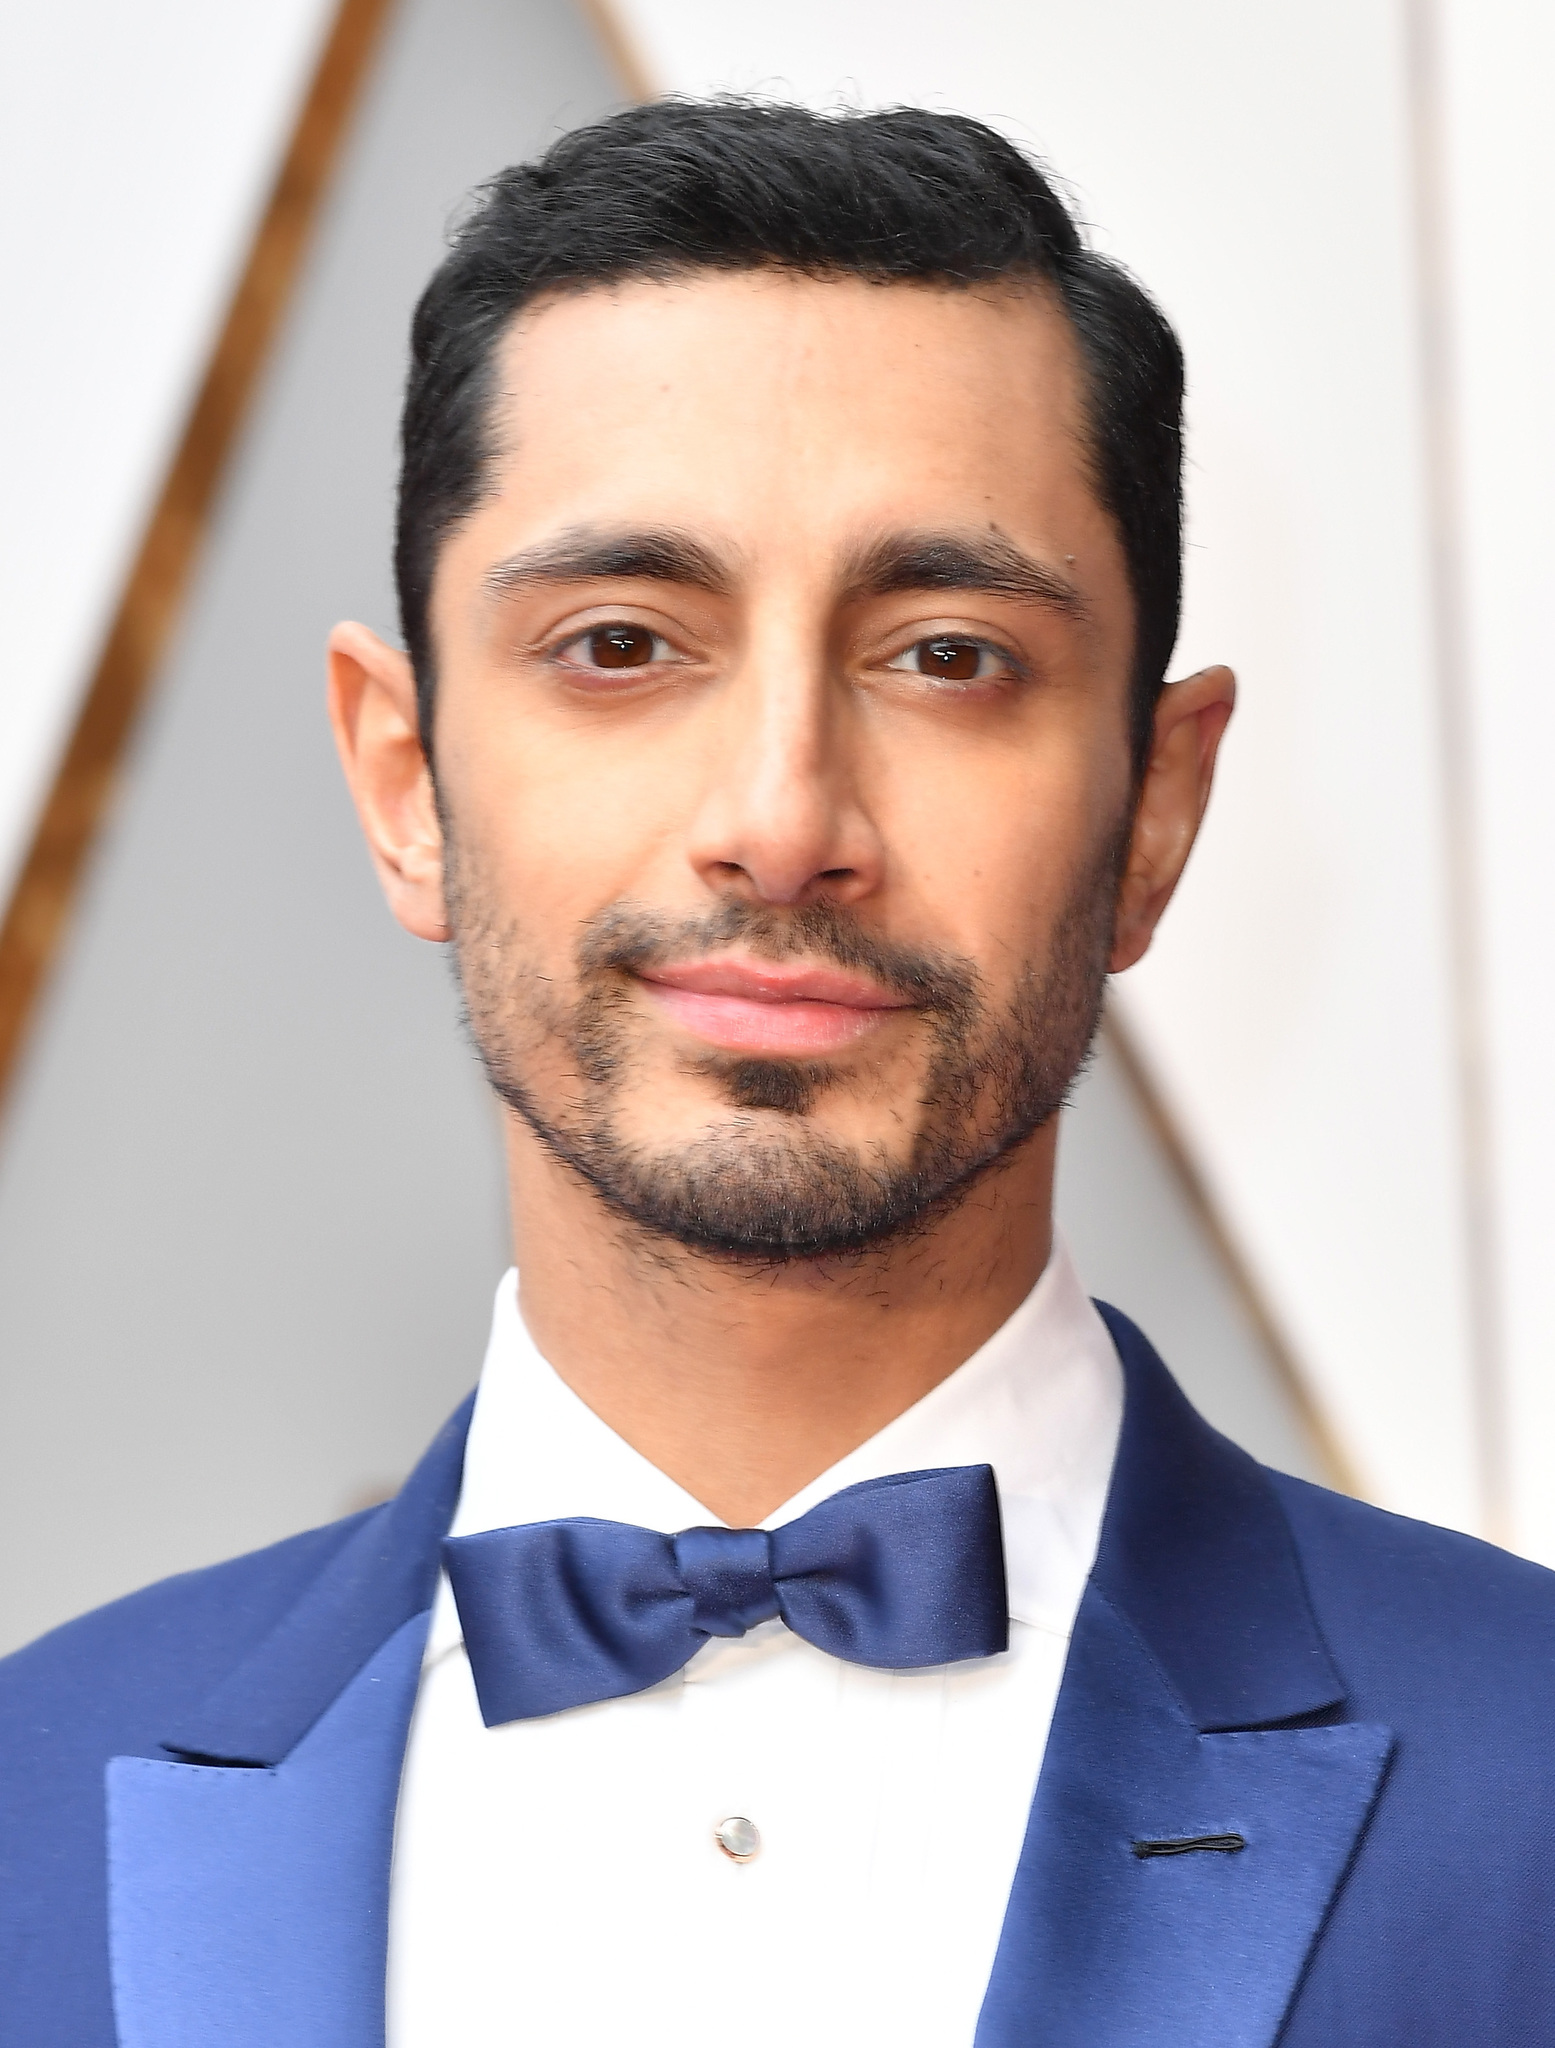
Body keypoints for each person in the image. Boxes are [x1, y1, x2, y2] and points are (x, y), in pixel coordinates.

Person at [2, 98, 1552, 2048]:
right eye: (622, 643)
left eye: (946, 656)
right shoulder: (26, 1807)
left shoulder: (1528, 1778)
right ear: (404, 784)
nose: (781, 819)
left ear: (1154, 812)